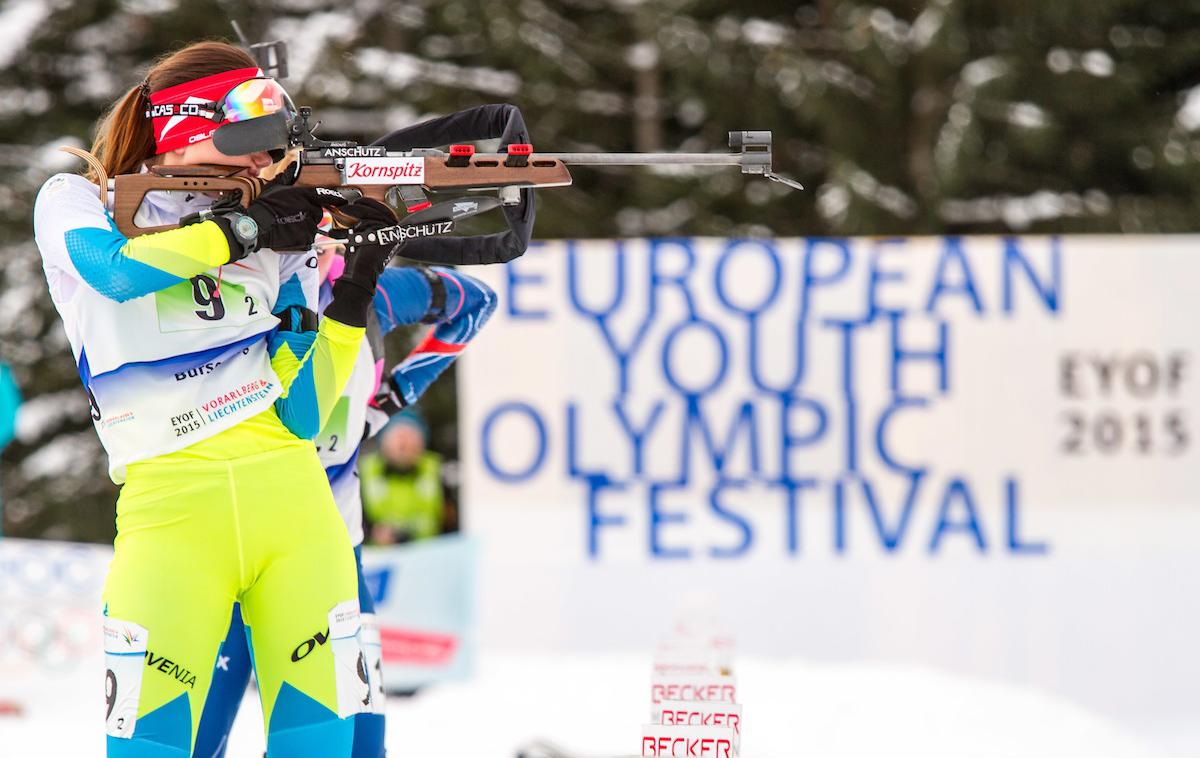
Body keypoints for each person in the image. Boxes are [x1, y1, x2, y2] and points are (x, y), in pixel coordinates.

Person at [33, 41, 406, 757]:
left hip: (298, 516)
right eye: (251, 141)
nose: (261, 164)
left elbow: (304, 414)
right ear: (183, 126)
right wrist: (245, 229)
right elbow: (112, 274)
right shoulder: (77, 201)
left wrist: (353, 289)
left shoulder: (273, 237)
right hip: (171, 521)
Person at [193, 230, 496, 758]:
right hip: (234, 557)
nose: (319, 247)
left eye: (333, 234)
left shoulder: (373, 295)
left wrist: (392, 398)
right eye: (307, 231)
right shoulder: (233, 290)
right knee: (196, 745)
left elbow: (475, 302)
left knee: (359, 749)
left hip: (336, 559)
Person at [360, 412, 451, 545]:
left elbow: (453, 518)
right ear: (384, 442)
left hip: (429, 556)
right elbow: (348, 516)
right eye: (398, 437)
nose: (404, 444)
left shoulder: (437, 470)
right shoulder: (366, 471)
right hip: (381, 559)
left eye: (411, 436)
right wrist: (372, 532)